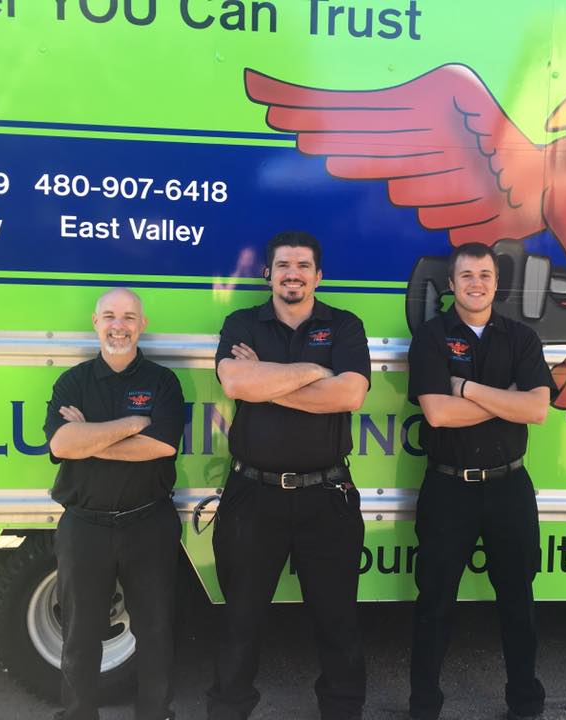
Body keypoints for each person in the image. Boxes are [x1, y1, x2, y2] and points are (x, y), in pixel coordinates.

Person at [207, 230, 371, 720]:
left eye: (302, 266)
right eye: (283, 266)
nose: (292, 274)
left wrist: (269, 380)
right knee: (240, 621)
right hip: (252, 496)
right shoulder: (242, 322)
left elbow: (350, 396)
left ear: (318, 276)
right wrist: (316, 371)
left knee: (337, 621)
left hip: (327, 496)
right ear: (268, 274)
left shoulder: (344, 325)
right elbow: (235, 380)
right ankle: (228, 711)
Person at [406, 243, 556, 720]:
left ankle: (525, 703)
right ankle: (424, 705)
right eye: (466, 275)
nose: (476, 283)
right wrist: (502, 399)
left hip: (509, 488)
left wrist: (466, 388)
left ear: (497, 283)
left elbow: (536, 409)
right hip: (448, 488)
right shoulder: (430, 337)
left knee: (518, 601)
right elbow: (437, 413)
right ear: (451, 284)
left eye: (485, 275)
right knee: (434, 603)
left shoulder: (521, 338)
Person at [44, 288, 185, 720]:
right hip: (85, 527)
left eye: (128, 317)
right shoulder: (73, 381)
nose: (118, 325)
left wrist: (92, 436)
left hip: (149, 524)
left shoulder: (163, 381)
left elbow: (160, 446)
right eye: (109, 316)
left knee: (157, 632)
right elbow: (62, 444)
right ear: (95, 322)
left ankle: (154, 713)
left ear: (142, 325)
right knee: (79, 636)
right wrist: (130, 425)